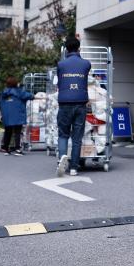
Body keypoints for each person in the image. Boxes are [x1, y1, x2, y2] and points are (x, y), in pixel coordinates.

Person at [56, 37, 91, 177]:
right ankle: (74, 168)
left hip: (64, 103)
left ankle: (62, 160)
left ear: (65, 49)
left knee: (63, 134)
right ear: (79, 48)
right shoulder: (86, 64)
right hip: (81, 103)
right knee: (77, 137)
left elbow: (60, 83)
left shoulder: (61, 65)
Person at [0, 77, 33, 155]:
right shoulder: (18, 91)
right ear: (15, 83)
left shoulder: (4, 92)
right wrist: (41, 97)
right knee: (17, 132)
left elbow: (0, 102)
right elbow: (28, 96)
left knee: (8, 132)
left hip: (7, 115)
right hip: (18, 115)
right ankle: (17, 149)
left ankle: (5, 148)